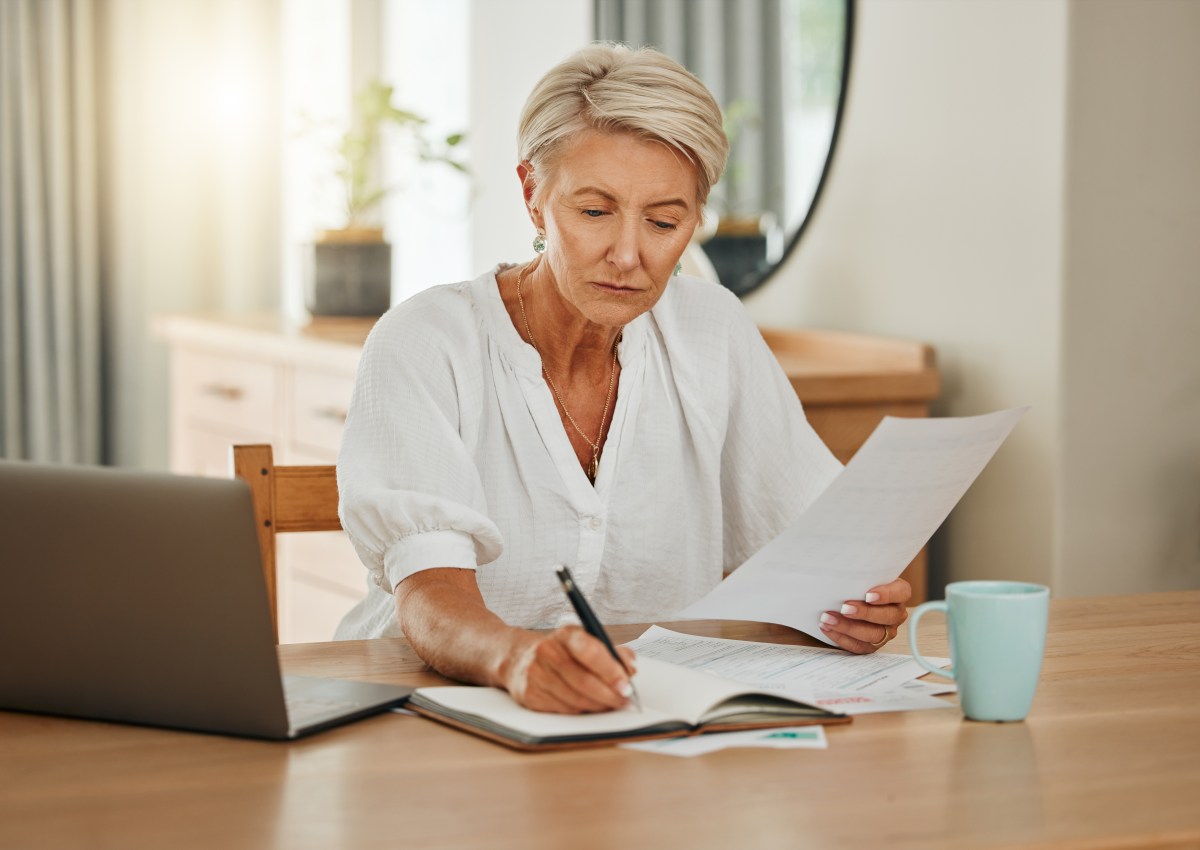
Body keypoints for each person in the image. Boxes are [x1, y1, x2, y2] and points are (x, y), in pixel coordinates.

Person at [334, 43, 910, 714]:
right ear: (532, 193)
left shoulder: (711, 330)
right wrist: (519, 658)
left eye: (665, 222)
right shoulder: (426, 341)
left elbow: (816, 545)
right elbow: (429, 593)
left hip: (641, 721)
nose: (629, 255)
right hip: (418, 711)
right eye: (595, 212)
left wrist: (850, 603)